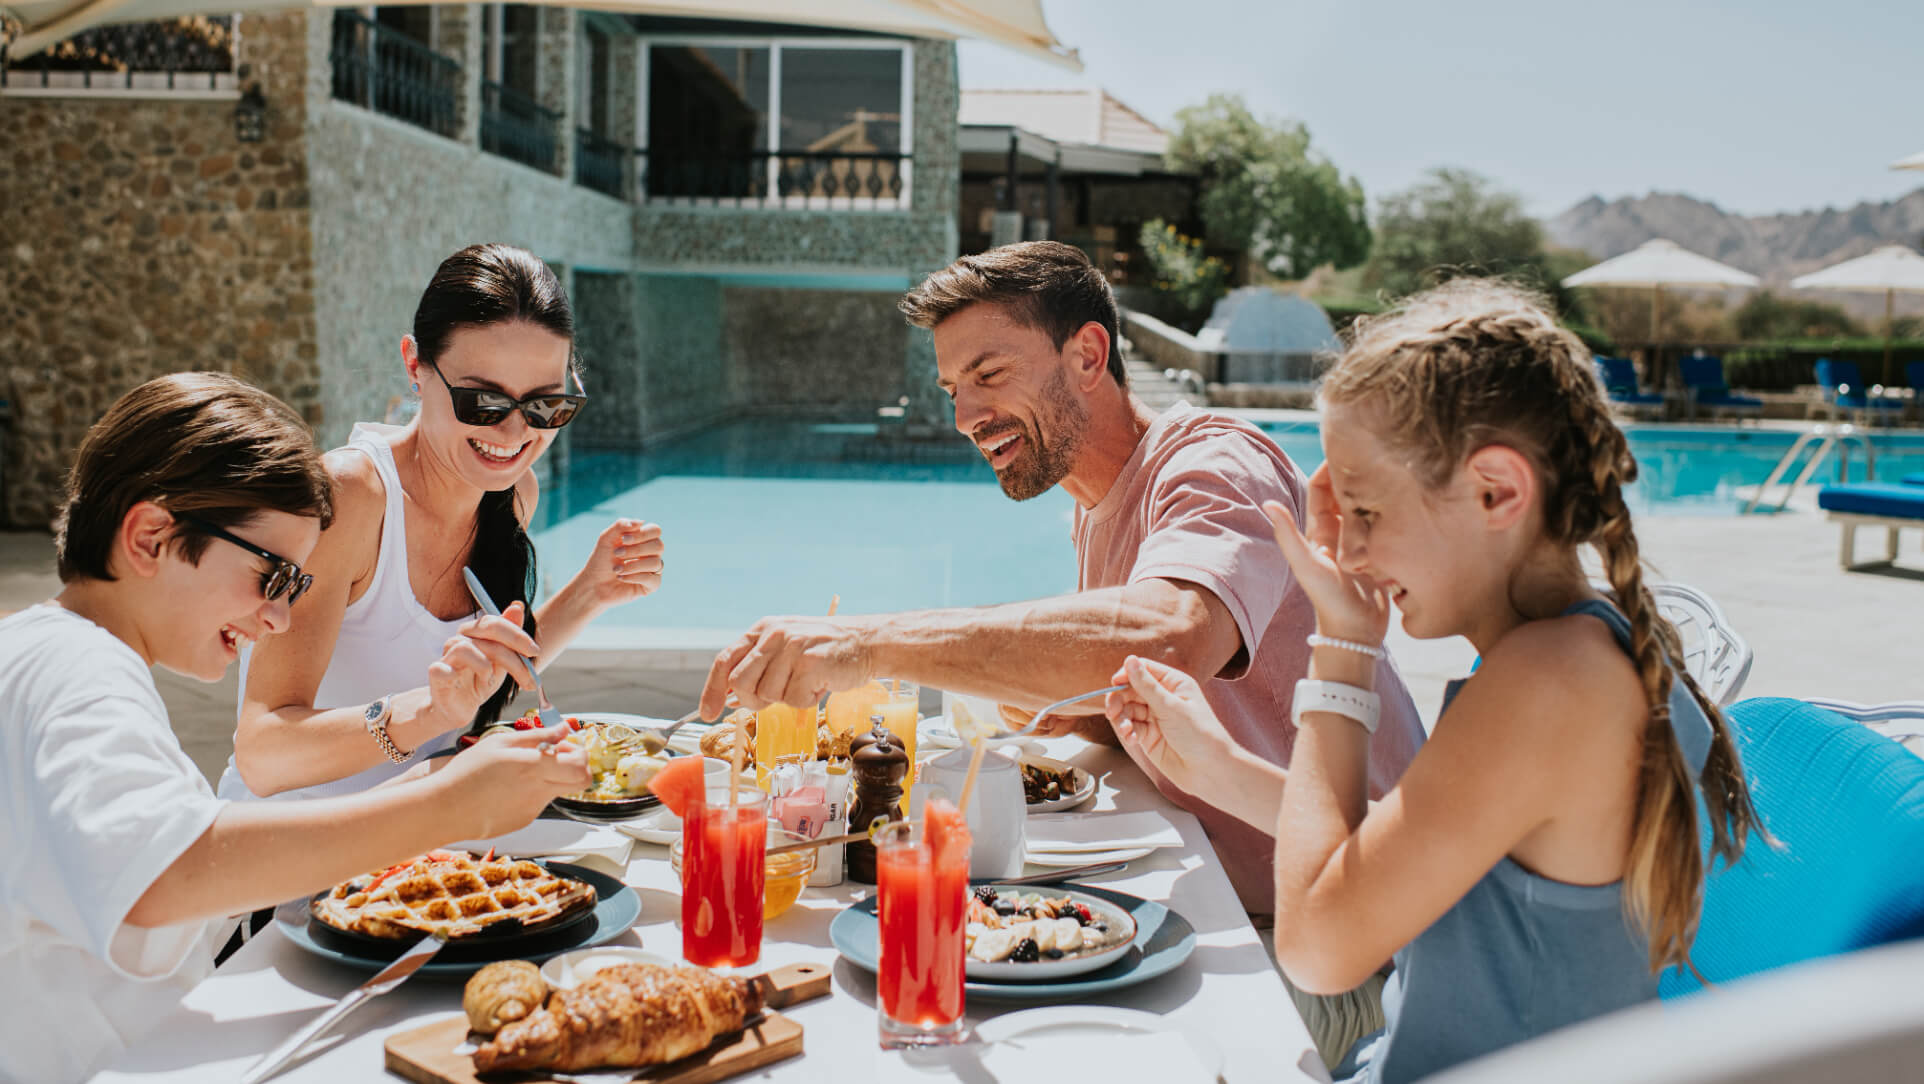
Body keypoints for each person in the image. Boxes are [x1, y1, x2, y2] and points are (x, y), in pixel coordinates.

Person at [1105, 280, 1762, 1082]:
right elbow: (1413, 850)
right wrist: (1219, 768)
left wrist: (1342, 646)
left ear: (1497, 492)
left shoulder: (1549, 684)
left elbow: (1318, 950)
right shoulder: (1575, 650)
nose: (1347, 552)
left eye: (1366, 512)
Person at [695, 241, 1424, 914]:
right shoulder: (1094, 507)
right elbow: (1160, 691)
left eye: (989, 375)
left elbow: (1170, 640)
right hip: (1250, 897)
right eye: (952, 389)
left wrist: (866, 645)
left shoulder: (1215, 464)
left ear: (1088, 355)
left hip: (1363, 919)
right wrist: (1076, 710)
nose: (965, 417)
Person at [0, 373, 591, 1084]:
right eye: (273, 576)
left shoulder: (44, 652)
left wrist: (426, 778)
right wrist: (449, 806)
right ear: (151, 538)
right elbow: (161, 873)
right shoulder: (79, 674)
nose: (278, 619)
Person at [221, 243, 665, 801]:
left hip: (423, 832)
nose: (513, 434)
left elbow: (481, 676)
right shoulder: (352, 498)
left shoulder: (512, 493)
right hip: (291, 841)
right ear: (415, 366)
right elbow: (262, 753)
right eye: (483, 402)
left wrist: (590, 593)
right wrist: (428, 712)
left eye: (544, 406)